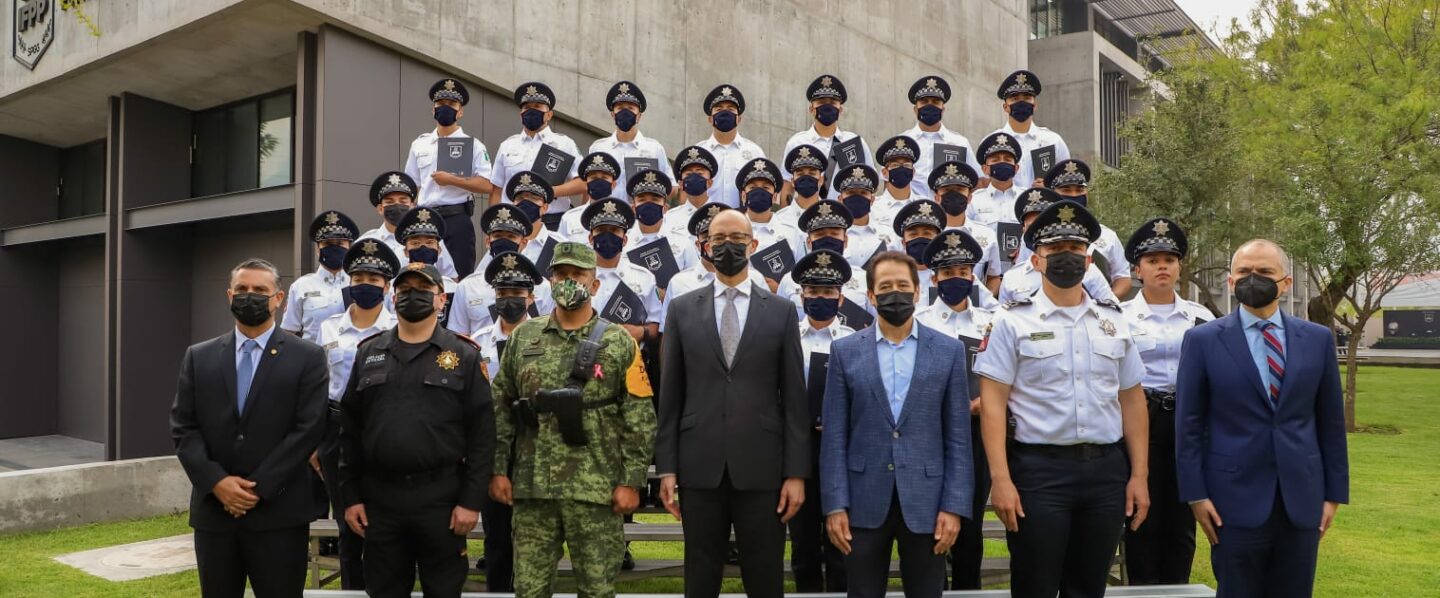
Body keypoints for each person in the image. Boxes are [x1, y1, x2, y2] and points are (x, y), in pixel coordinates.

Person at [973, 201, 1151, 598]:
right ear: (1036, 261)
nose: (1066, 258)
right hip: (1039, 473)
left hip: (1106, 471)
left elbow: (1132, 400)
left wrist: (1138, 474)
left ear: (1088, 261)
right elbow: (994, 401)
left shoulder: (1113, 319)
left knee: (1089, 588)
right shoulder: (1011, 321)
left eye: (1075, 250)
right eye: (1056, 251)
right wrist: (1000, 479)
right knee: (1035, 586)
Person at [1176, 239, 1349, 598]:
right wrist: (1195, 495)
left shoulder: (1317, 340)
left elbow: (1330, 422)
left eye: (1264, 272)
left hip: (1301, 500)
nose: (1252, 279)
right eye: (1244, 272)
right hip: (1231, 501)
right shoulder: (1202, 340)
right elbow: (1189, 424)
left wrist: (1333, 495)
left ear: (1285, 282)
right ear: (1230, 280)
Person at [656, 209, 810, 598]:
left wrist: (795, 473)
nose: (728, 245)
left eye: (737, 238)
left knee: (764, 577)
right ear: (705, 246)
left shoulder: (780, 310)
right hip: (698, 465)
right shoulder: (681, 309)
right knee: (701, 578)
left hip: (762, 468)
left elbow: (793, 399)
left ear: (753, 244)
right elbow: (670, 395)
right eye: (718, 238)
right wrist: (667, 468)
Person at [490, 241, 657, 598]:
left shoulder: (618, 342)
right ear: (549, 282)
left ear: (595, 284)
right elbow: (502, 406)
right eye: (561, 274)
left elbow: (639, 416)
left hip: (594, 489)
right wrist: (498, 469)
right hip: (533, 487)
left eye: (578, 274)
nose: (569, 281)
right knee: (529, 590)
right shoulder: (523, 336)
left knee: (597, 590)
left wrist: (631, 482)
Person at [170, 258, 328, 598]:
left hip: (280, 514)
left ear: (279, 299)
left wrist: (257, 489)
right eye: (241, 289)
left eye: (260, 290)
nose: (249, 296)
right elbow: (184, 428)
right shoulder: (200, 356)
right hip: (215, 514)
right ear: (229, 295)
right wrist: (217, 482)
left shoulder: (308, 357)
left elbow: (308, 429)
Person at [820, 251, 972, 597]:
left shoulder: (948, 351)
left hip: (927, 502)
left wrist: (954, 505)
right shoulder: (844, 352)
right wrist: (834, 504)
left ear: (918, 292)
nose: (895, 293)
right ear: (871, 297)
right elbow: (834, 437)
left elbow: (959, 438)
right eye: (885, 287)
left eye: (903, 285)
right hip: (862, 501)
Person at [338, 261, 494, 597]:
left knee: (443, 590)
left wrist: (470, 501)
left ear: (441, 300)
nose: (413, 296)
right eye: (405, 290)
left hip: (441, 500)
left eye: (423, 290)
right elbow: (349, 431)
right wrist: (350, 497)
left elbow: (482, 436)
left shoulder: (463, 355)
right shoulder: (369, 352)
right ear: (393, 298)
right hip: (381, 500)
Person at [1118, 218, 1214, 585]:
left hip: (1188, 422)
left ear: (1179, 267)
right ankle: (1142, 589)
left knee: (1182, 521)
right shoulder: (1120, 318)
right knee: (1141, 516)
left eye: (1170, 260)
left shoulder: (1201, 317)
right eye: (1153, 260)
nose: (1162, 266)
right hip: (1141, 419)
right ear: (1137, 269)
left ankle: (1177, 589)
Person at [313, 239, 401, 590]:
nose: (365, 283)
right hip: (337, 430)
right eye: (359, 276)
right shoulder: (328, 328)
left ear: (387, 285)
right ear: (349, 281)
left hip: (385, 429)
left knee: (387, 520)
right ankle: (352, 591)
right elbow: (318, 387)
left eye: (374, 277)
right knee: (347, 522)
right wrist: (316, 444)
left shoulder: (397, 328)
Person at [912, 229, 996, 589]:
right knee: (932, 521)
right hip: (930, 433)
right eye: (948, 273)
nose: (956, 279)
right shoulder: (919, 321)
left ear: (973, 275)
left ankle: (967, 590)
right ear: (934, 277)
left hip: (976, 432)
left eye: (963, 272)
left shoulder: (990, 322)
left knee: (971, 523)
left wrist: (985, 402)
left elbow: (1003, 374)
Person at [470, 250, 544, 592]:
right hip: (493, 448)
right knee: (497, 540)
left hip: (537, 447)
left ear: (531, 297)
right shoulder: (476, 343)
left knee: (536, 540)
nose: (509, 300)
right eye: (502, 294)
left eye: (517, 294)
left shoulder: (548, 338)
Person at [785, 249, 856, 592]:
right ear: (801, 295)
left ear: (840, 297)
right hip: (800, 447)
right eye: (812, 292)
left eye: (828, 292)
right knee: (803, 544)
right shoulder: (787, 339)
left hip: (843, 447)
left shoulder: (856, 341)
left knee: (843, 542)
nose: (820, 298)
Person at [404, 78, 495, 278]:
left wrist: (452, 180)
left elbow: (488, 184)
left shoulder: (474, 146)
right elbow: (411, 186)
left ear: (460, 111)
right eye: (441, 104)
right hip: (425, 219)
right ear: (433, 109)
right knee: (421, 275)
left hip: (457, 219)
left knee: (460, 278)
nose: (446, 108)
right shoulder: (419, 144)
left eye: (452, 104)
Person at [488, 81, 584, 229]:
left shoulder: (564, 144)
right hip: (514, 224)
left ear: (549, 114)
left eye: (537, 107)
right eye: (527, 107)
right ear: (521, 114)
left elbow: (583, 182)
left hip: (553, 222)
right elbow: (496, 191)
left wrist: (551, 191)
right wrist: (493, 225)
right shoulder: (507, 145)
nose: (531, 111)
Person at [449, 204, 555, 338]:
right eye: (498, 236)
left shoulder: (542, 286)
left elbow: (549, 333)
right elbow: (459, 335)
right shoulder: (468, 286)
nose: (504, 240)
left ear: (523, 243)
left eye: (511, 236)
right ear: (488, 242)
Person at [997, 188, 1118, 305]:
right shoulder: (1012, 278)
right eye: (1032, 227)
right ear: (1023, 229)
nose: (1037, 232)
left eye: (1043, 225)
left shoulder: (1089, 272)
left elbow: (1111, 315)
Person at [1042, 159, 1132, 297]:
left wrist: (1105, 304)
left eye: (1079, 190)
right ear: (1052, 193)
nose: (1074, 195)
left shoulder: (1107, 236)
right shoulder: (1039, 235)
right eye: (1066, 190)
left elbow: (1123, 278)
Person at [780, 74, 873, 201]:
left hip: (845, 217)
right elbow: (787, 187)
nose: (828, 107)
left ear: (840, 109)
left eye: (833, 102)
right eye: (822, 102)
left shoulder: (854, 143)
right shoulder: (797, 143)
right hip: (806, 216)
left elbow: (871, 183)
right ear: (812, 109)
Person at [775, 200, 872, 321]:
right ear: (809, 242)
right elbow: (780, 323)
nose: (828, 239)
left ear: (845, 240)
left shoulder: (865, 280)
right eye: (820, 234)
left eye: (834, 234)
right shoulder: (790, 281)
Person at [358, 171, 460, 279]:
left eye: (403, 201)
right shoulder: (367, 241)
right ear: (380, 208)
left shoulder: (432, 240)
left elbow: (451, 279)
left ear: (412, 206)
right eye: (390, 202)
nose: (397, 206)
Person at [898, 75, 985, 199]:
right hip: (911, 213)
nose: (930, 105)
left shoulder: (959, 143)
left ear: (943, 108)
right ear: (915, 109)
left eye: (935, 102)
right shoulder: (902, 141)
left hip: (947, 213)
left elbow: (980, 181)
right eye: (924, 102)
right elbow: (889, 183)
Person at [928, 160, 1003, 294]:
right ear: (937, 197)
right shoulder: (927, 235)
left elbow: (994, 277)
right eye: (947, 190)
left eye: (959, 189)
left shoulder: (986, 234)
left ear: (969, 197)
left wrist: (985, 301)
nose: (954, 194)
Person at [280, 211, 357, 341]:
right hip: (313, 359)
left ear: (349, 247)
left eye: (339, 244)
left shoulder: (359, 283)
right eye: (327, 244)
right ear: (317, 249)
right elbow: (288, 333)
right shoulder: (301, 286)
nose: (334, 248)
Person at [987, 70, 1069, 190]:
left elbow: (1067, 181)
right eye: (1015, 99)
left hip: (1043, 206)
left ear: (1034, 105)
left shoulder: (1053, 140)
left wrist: (1051, 186)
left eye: (1027, 98)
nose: (1021, 102)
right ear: (1005, 107)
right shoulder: (991, 142)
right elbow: (983, 182)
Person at [590, 81, 672, 199]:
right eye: (620, 108)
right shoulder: (598, 148)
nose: (625, 112)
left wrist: (650, 200)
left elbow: (672, 188)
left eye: (630, 108)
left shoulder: (654, 149)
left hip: (641, 216)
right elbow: (588, 186)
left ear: (639, 115)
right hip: (607, 214)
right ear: (613, 114)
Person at [736, 157, 806, 291]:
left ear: (774, 197)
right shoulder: (731, 230)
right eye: (753, 187)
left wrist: (780, 290)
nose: (759, 191)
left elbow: (802, 276)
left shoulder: (791, 232)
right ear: (743, 196)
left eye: (765, 188)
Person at [694, 84, 766, 209]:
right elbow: (687, 195)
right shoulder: (699, 152)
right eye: (719, 109)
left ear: (739, 119)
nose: (725, 112)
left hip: (742, 221)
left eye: (731, 109)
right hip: (707, 221)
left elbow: (764, 190)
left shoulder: (754, 152)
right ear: (710, 119)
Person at [625, 168, 700, 281]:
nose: (648, 204)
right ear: (633, 208)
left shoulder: (683, 242)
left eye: (655, 199)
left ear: (665, 208)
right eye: (642, 199)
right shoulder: (623, 244)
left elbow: (696, 281)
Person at [832, 164, 897, 270]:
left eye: (863, 193)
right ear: (840, 199)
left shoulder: (888, 233)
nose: (857, 197)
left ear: (872, 200)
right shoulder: (833, 236)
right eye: (851, 193)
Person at [558, 151, 622, 243]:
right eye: (594, 178)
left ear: (613, 184)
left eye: (604, 178)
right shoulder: (569, 218)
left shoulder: (623, 217)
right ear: (586, 184)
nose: (599, 182)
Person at [966, 132, 1025, 232]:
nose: (1002, 163)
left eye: (1007, 159)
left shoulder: (1026, 198)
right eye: (995, 160)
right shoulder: (973, 201)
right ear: (985, 169)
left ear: (1016, 168)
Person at [664, 145, 720, 239]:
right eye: (688, 174)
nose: (694, 177)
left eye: (699, 173)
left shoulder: (723, 214)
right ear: (681, 184)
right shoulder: (669, 218)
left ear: (710, 182)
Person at [871, 135, 921, 232]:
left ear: (913, 172)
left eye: (906, 165)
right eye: (895, 165)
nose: (901, 169)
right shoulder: (873, 207)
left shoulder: (924, 206)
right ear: (884, 172)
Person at [773, 144, 829, 231]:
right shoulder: (779, 220)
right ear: (792, 181)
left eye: (812, 173)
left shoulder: (833, 217)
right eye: (800, 174)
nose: (806, 178)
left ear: (821, 180)